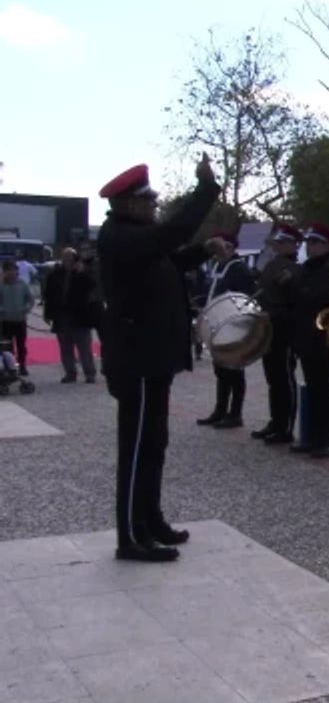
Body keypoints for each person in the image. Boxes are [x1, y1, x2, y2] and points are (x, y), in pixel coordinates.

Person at [97, 157, 226, 562]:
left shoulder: (139, 237)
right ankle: (131, 537)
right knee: (136, 448)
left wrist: (203, 249)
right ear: (127, 204)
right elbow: (171, 236)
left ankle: (150, 520)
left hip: (153, 359)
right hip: (135, 360)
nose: (153, 204)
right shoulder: (119, 235)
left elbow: (170, 259)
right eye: (147, 199)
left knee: (154, 443)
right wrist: (205, 190)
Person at [289, 224, 329, 459]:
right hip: (307, 336)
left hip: (326, 338)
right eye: (308, 243)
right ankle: (312, 436)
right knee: (312, 389)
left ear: (326, 245)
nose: (310, 247)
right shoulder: (305, 269)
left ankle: (328, 440)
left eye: (315, 243)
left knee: (325, 390)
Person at [196, 232, 255, 429]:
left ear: (232, 248)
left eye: (224, 247)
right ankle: (220, 410)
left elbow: (246, 298)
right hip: (215, 324)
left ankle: (235, 413)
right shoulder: (217, 266)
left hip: (233, 326)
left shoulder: (239, 269)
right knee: (220, 370)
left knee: (234, 370)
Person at [252, 225, 302, 445]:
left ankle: (286, 427)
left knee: (284, 379)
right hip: (269, 330)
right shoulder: (272, 265)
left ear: (294, 244)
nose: (279, 246)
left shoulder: (295, 270)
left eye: (283, 243)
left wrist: (271, 314)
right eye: (278, 243)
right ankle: (276, 421)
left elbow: (295, 304)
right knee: (273, 379)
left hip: (285, 331)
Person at [42, 247, 99, 383]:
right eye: (65, 257)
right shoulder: (55, 274)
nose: (67, 260)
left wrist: (81, 272)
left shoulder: (83, 273)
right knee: (65, 348)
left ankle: (89, 373)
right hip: (61, 315)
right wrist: (47, 313)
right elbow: (48, 295)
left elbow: (93, 285)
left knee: (84, 348)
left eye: (70, 258)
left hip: (80, 316)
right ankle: (70, 373)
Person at [0, 261, 34, 375]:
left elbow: (30, 299)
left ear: (16, 271)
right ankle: (9, 367)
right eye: (7, 270)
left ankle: (22, 365)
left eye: (13, 270)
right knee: (6, 346)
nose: (10, 273)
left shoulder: (22, 284)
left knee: (21, 345)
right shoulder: (1, 285)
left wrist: (26, 308)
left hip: (20, 320)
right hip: (5, 320)